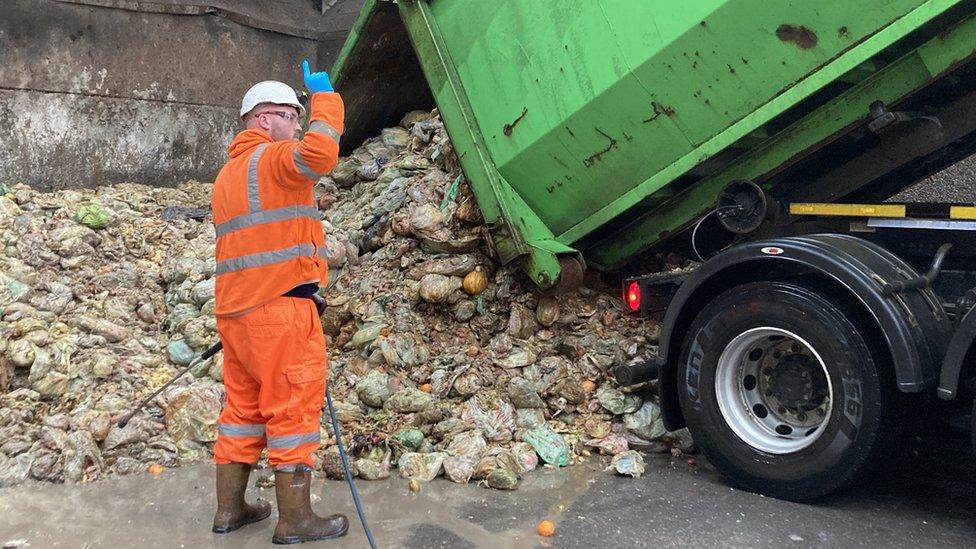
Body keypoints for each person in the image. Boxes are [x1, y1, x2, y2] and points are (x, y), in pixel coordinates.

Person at [209, 59, 347, 544]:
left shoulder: (227, 176)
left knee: (243, 410)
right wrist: (327, 100)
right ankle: (295, 520)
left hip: (236, 313)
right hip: (279, 311)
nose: (297, 123)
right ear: (265, 119)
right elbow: (321, 155)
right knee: (292, 408)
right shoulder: (272, 160)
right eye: (293, 114)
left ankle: (230, 511)